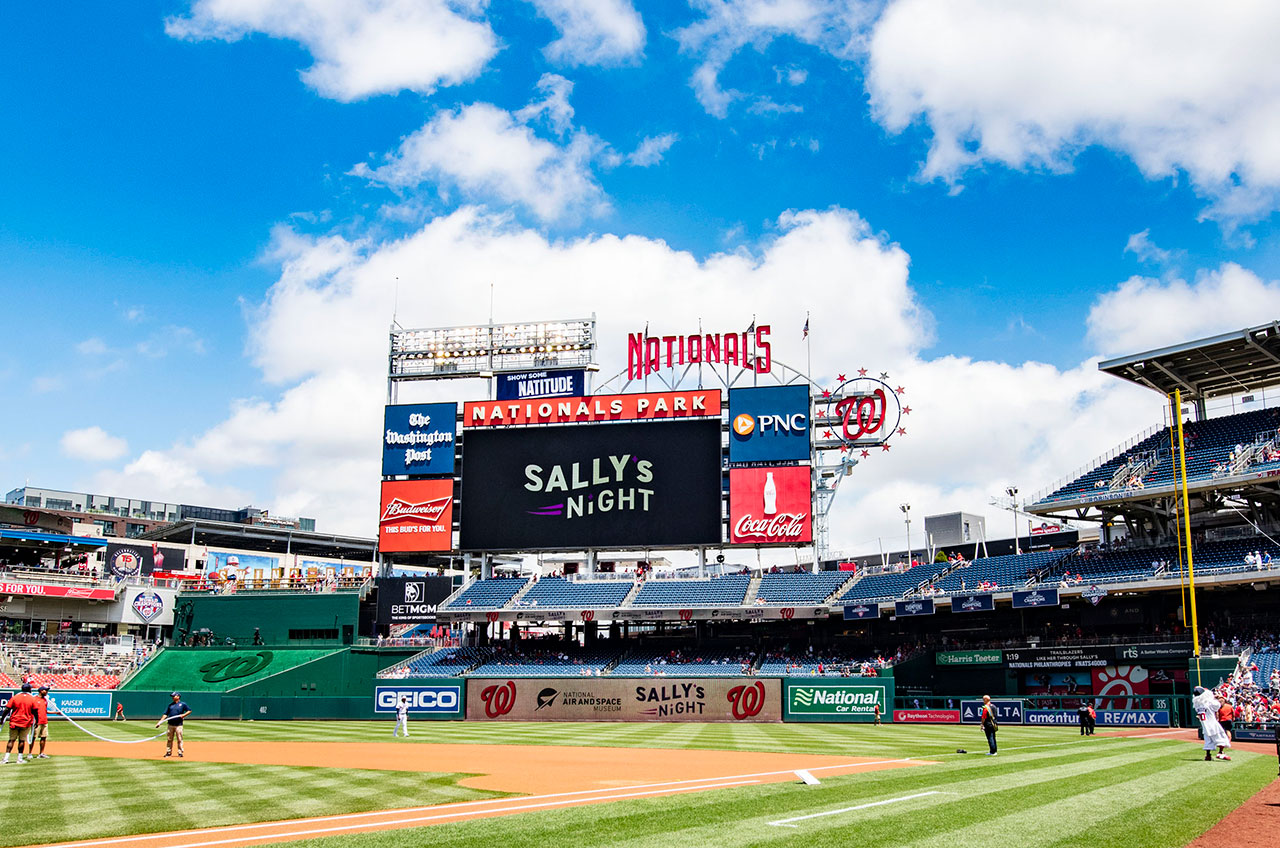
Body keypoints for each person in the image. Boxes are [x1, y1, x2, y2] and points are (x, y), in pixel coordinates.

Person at [1192, 686, 1231, 761]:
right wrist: (1216, 698)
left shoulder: (1197, 704)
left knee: (1208, 741)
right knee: (1221, 737)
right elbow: (1217, 706)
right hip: (1212, 723)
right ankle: (1220, 753)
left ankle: (1208, 755)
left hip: (1205, 725)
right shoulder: (1209, 702)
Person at [1, 683, 36, 764]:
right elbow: (35, 711)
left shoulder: (15, 697)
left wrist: (2, 719)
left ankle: (6, 758)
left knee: (11, 740)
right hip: (25, 722)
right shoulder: (32, 698)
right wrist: (36, 721)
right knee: (21, 741)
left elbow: (7, 709)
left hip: (14, 721)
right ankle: (19, 759)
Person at [155, 692, 191, 758]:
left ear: (178, 696)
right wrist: (160, 722)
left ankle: (180, 752)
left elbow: (189, 710)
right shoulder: (170, 705)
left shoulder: (182, 704)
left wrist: (184, 715)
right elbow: (165, 714)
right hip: (170, 724)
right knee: (169, 739)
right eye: (172, 696)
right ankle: (168, 752)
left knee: (179, 739)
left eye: (174, 696)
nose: (172, 697)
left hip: (178, 725)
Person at [28, 685, 51, 759]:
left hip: (44, 721)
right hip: (36, 721)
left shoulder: (45, 700)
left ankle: (41, 753)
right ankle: (30, 753)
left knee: (44, 737)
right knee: (33, 737)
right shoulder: (34, 699)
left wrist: (56, 713)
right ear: (41, 691)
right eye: (45, 690)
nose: (47, 692)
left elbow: (45, 711)